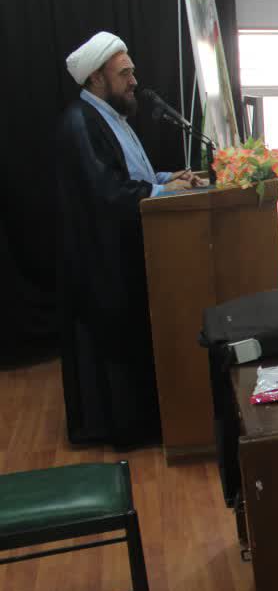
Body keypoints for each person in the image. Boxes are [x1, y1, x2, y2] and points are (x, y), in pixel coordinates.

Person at [56, 31, 206, 447]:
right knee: (116, 354)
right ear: (96, 80)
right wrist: (160, 193)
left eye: (132, 72)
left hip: (126, 251)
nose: (134, 81)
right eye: (124, 74)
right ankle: (126, 430)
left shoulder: (111, 118)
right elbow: (107, 193)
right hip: (102, 264)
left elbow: (132, 177)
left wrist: (166, 179)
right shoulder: (81, 124)